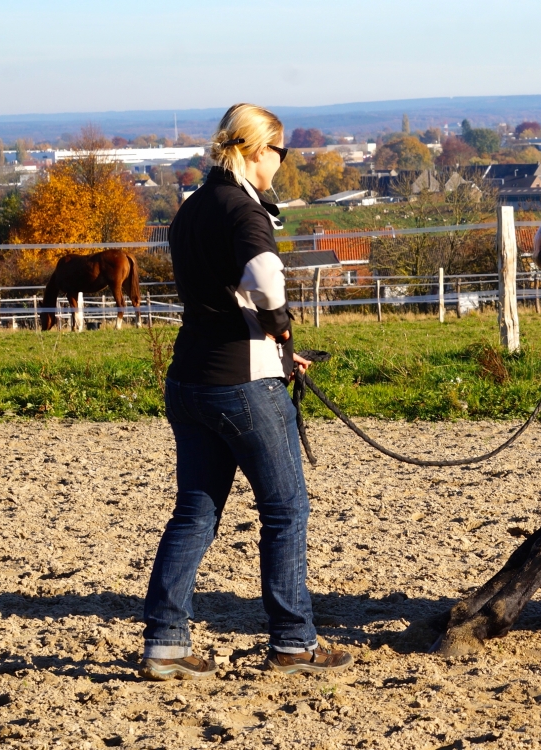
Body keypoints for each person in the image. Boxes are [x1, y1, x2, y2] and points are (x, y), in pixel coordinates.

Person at [140, 103, 351, 680]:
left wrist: (276, 349)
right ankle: (293, 643)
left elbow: (219, 296)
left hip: (190, 378)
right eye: (280, 152)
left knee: (195, 512)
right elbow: (263, 279)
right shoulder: (245, 210)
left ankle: (165, 643)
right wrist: (280, 327)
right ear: (259, 150)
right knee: (285, 510)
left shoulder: (193, 207)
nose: (282, 162)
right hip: (242, 385)